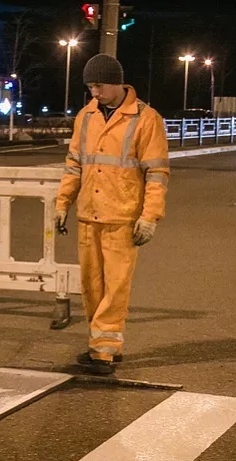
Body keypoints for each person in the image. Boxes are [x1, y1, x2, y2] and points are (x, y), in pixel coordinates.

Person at [55, 53, 170, 375]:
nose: (95, 93)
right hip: (89, 214)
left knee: (116, 286)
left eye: (99, 86)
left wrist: (150, 217)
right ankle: (102, 345)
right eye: (90, 87)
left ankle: (103, 351)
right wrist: (62, 204)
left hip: (122, 216)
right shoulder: (86, 116)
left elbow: (157, 174)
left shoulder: (146, 119)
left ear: (117, 83)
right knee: (92, 286)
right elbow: (74, 165)